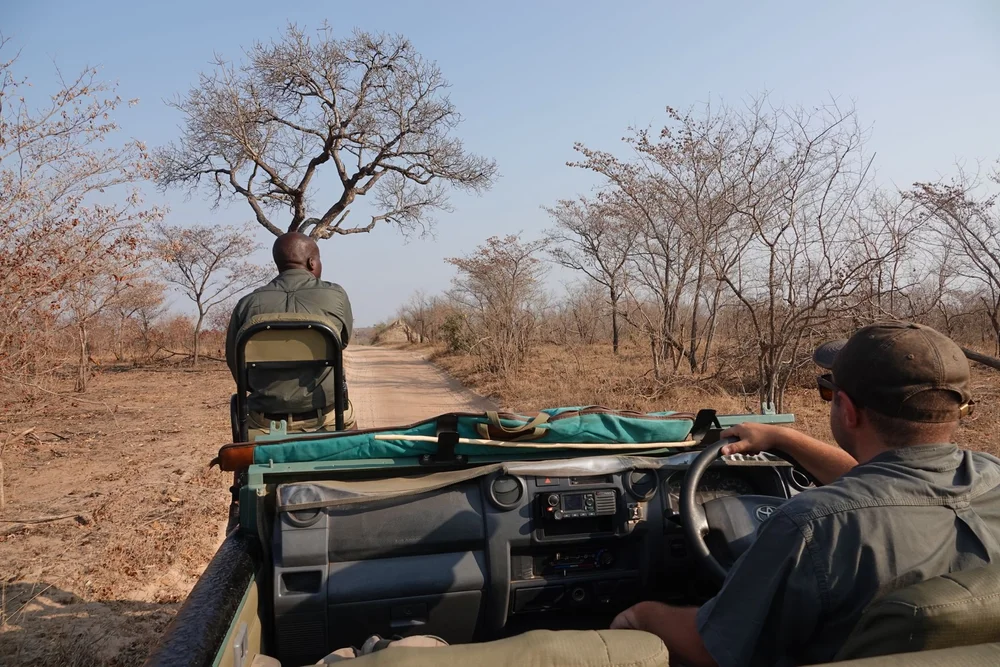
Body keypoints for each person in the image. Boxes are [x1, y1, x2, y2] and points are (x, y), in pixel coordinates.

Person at [611, 321, 996, 667]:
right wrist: (781, 437)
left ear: (846, 409)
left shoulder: (811, 525)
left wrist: (643, 616)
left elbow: (713, 650)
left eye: (828, 392)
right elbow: (896, 485)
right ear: (959, 409)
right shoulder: (991, 475)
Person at [226, 231, 356, 437]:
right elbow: (343, 342)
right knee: (353, 436)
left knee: (243, 463)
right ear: (312, 262)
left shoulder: (247, 304)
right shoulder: (335, 295)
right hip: (328, 418)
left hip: (263, 422)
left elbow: (237, 365)